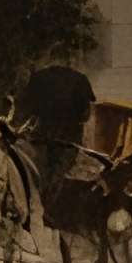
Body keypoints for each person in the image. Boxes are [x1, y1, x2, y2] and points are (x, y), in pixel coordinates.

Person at [19, 49, 98, 184]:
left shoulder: (38, 77)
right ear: (70, 60)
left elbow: (26, 109)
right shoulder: (80, 79)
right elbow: (85, 115)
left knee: (40, 176)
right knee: (61, 177)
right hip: (69, 139)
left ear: (50, 59)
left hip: (42, 137)